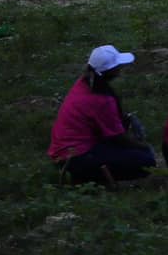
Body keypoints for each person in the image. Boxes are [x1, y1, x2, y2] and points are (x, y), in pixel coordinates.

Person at [49, 45, 155, 185]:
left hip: (65, 153)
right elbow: (118, 138)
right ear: (110, 71)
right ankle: (88, 177)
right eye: (117, 66)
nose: (120, 68)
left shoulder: (84, 83)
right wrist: (143, 147)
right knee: (146, 160)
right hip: (77, 157)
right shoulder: (101, 100)